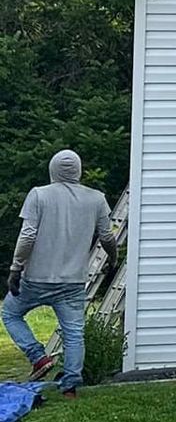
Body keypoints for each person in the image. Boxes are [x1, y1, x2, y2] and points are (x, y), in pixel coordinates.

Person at [3, 150, 115, 396]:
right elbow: (107, 237)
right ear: (79, 170)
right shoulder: (96, 199)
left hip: (35, 278)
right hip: (73, 281)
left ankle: (38, 357)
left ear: (53, 170)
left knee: (10, 313)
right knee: (74, 333)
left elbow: (28, 235)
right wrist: (114, 259)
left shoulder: (38, 195)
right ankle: (71, 387)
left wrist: (15, 268)